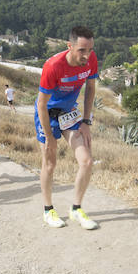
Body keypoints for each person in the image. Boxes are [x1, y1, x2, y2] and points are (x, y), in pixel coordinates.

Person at [35, 26, 99, 230]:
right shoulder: (53, 66)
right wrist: (48, 136)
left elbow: (90, 88)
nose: (86, 55)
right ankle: (48, 210)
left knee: (87, 161)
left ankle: (76, 209)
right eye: (81, 50)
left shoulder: (91, 60)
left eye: (90, 49)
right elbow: (41, 104)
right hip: (48, 114)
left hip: (69, 113)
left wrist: (86, 122)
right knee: (50, 164)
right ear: (69, 46)